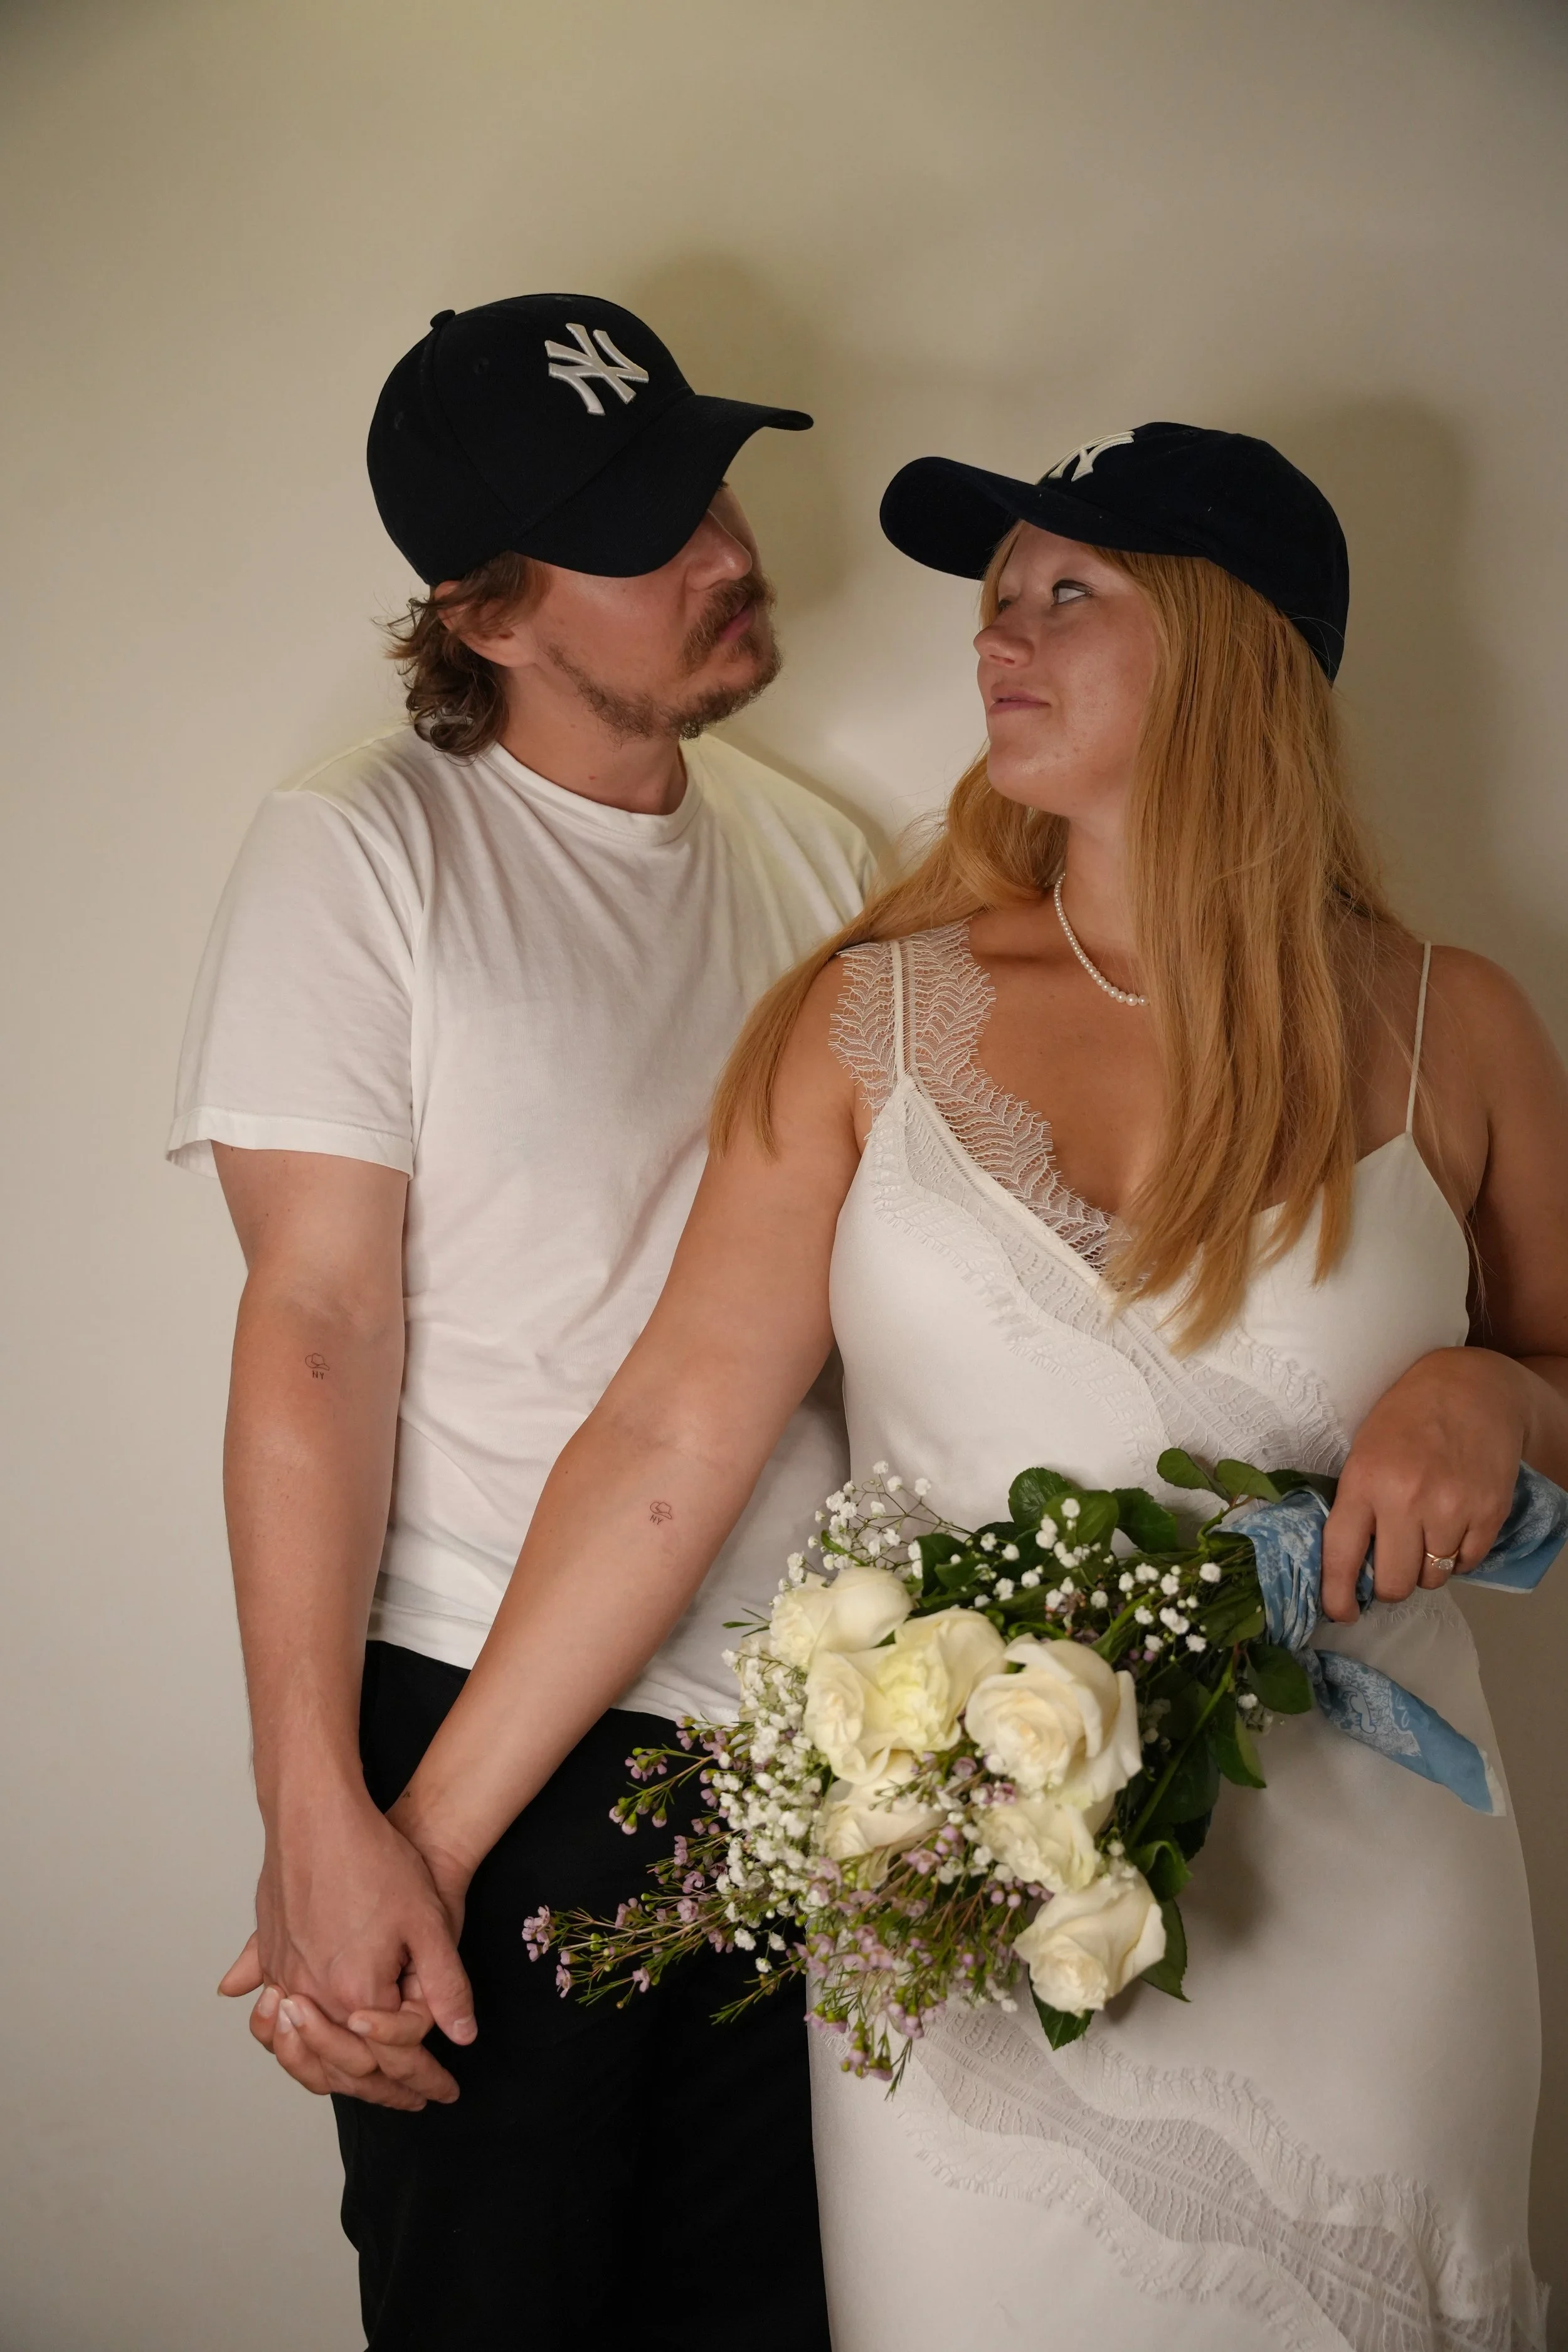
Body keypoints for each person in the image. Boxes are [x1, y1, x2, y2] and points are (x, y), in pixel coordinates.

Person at [364, 423, 1564, 2348]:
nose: (1001, 635)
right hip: (963, 1937)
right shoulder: (865, 1014)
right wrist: (414, 1844)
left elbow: (1564, 1362)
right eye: (992, 600)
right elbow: (669, 1442)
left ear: (1235, 646)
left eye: (1067, 593)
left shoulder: (1453, 1021)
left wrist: (1501, 1403)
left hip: (1372, 1913)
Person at [168, 292, 872, 2349]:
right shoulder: (360, 849)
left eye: (711, 482)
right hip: (484, 1713)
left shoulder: (824, 866)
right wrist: (319, 1805)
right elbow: (311, 1329)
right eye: (648, 530)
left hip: (801, 1748)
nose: (730, 546)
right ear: (485, 610)